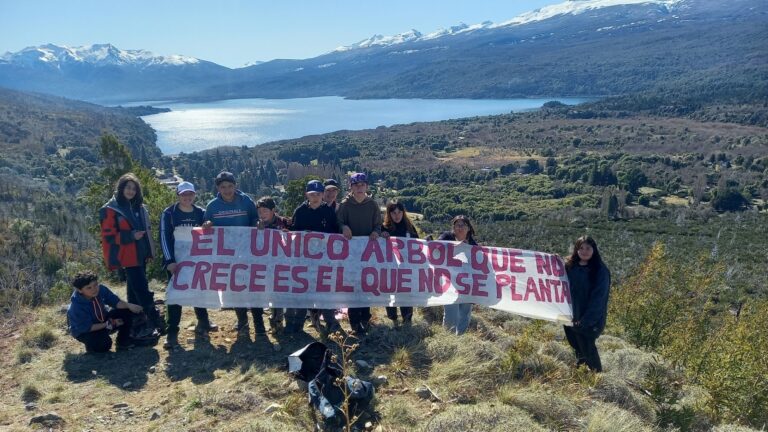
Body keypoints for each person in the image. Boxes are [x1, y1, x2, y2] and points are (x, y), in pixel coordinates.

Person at [99, 173, 163, 332]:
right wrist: (131, 236)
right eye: (128, 187)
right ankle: (153, 319)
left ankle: (136, 319)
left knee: (133, 288)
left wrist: (148, 251)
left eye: (134, 188)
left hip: (140, 254)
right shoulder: (110, 209)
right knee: (141, 287)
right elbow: (108, 236)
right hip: (127, 256)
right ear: (121, 188)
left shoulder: (137, 207)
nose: (131, 191)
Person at [159, 181, 218, 349]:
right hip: (176, 262)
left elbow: (211, 233)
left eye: (190, 194)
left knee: (199, 291)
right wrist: (169, 261)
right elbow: (164, 236)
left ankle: (203, 322)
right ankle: (172, 332)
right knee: (175, 296)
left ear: (194, 195)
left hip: (197, 261)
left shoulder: (201, 212)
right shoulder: (169, 213)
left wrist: (208, 226)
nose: (187, 197)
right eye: (183, 194)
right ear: (178, 195)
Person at [202, 171, 262, 335]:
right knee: (233, 288)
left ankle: (259, 324)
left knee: (253, 287)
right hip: (226, 256)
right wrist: (206, 225)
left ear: (235, 186)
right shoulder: (212, 206)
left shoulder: (246, 201)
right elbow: (207, 225)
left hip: (248, 252)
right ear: (218, 188)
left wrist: (258, 224)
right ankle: (242, 321)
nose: (227, 190)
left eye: (230, 186)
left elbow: (253, 219)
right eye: (223, 187)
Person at [291, 180, 342, 334]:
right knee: (304, 291)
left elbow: (335, 232)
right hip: (305, 259)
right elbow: (294, 232)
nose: (315, 197)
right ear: (307, 194)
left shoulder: (328, 211)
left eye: (318, 194)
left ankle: (331, 323)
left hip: (324, 259)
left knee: (324, 291)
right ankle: (297, 325)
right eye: (312, 194)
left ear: (322, 195)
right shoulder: (300, 211)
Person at [337, 172, 382, 335]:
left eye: (362, 185)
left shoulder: (373, 205)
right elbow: (339, 222)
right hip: (349, 255)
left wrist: (376, 232)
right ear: (351, 187)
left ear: (367, 187)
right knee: (353, 287)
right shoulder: (345, 205)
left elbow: (378, 224)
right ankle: (354, 322)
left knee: (366, 285)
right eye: (356, 185)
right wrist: (343, 227)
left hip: (368, 254)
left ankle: (365, 318)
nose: (359, 188)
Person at [563, 235, 611, 372]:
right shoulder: (570, 266)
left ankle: (599, 380)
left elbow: (599, 299)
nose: (584, 251)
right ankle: (582, 377)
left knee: (588, 349)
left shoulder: (600, 271)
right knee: (577, 347)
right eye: (581, 248)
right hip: (571, 317)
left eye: (588, 248)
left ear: (594, 250)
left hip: (590, 320)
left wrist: (585, 321)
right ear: (576, 250)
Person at [67, 271, 144, 353]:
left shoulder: (101, 289)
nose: (94, 289)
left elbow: (116, 302)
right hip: (85, 331)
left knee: (126, 310)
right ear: (80, 290)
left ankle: (122, 341)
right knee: (104, 345)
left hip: (103, 320)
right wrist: (109, 324)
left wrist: (129, 305)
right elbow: (87, 327)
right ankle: (92, 346)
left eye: (95, 285)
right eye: (89, 288)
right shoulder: (76, 307)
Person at [256, 196, 290, 334]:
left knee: (281, 294)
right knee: (272, 293)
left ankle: (279, 321)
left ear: (273, 210)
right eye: (260, 212)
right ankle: (274, 319)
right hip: (267, 266)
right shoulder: (258, 225)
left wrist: (290, 234)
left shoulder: (284, 222)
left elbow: (296, 238)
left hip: (283, 265)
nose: (262, 214)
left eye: (265, 211)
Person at [438, 215, 478, 335]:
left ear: (468, 228)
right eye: (457, 225)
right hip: (449, 284)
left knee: (464, 314)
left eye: (463, 225)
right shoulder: (447, 237)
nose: (460, 228)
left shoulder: (473, 245)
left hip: (466, 285)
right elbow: (436, 246)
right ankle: (447, 339)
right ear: (453, 227)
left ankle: (460, 338)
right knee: (450, 314)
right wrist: (456, 246)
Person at [381, 200, 419, 325]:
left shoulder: (410, 227)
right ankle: (393, 319)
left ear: (403, 213)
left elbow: (418, 245)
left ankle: (407, 319)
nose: (397, 215)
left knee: (405, 294)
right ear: (389, 214)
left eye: (399, 212)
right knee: (390, 293)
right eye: (393, 213)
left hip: (405, 269)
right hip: (389, 268)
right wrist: (383, 236)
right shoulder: (384, 228)